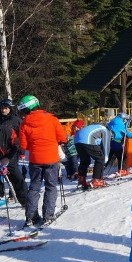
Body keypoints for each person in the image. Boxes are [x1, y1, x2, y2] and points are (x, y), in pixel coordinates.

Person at [17, 95, 67, 227]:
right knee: (51, 187)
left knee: (34, 188)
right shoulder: (52, 119)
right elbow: (62, 137)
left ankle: (31, 217)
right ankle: (48, 215)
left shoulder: (24, 123)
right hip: (51, 159)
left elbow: (24, 145)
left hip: (35, 160)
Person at [0, 98, 27, 206]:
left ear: (10, 108)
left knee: (16, 179)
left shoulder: (16, 120)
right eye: (2, 108)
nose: (3, 110)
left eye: (6, 108)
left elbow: (21, 138)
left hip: (11, 154)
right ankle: (2, 195)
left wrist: (21, 151)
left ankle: (25, 202)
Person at [74, 123, 110, 189]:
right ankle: (97, 180)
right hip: (87, 139)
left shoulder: (95, 127)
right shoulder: (105, 130)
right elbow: (106, 145)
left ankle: (81, 179)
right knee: (100, 158)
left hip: (77, 140)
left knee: (85, 160)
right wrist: (106, 157)